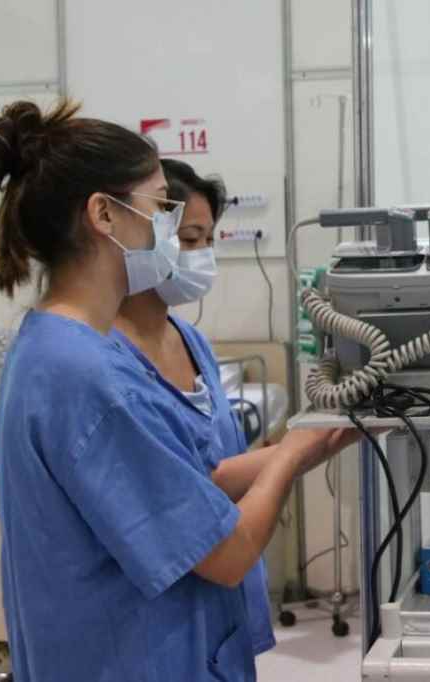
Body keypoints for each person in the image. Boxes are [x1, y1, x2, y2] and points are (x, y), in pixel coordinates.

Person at [0, 99, 357, 681]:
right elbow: (227, 554)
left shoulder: (53, 348)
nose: (171, 228)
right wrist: (288, 459)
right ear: (103, 215)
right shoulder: (88, 375)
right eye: (161, 206)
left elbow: (187, 486)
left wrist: (314, 441)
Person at [110, 158, 276, 657]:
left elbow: (216, 470)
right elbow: (180, 493)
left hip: (221, 589)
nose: (201, 255)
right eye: (188, 239)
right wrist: (292, 456)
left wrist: (311, 440)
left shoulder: (190, 340)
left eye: (208, 240)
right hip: (159, 609)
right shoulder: (107, 359)